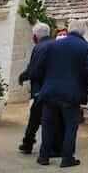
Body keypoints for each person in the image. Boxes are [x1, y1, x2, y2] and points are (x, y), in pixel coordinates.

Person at [30, 19, 88, 168]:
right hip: (71, 94)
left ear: (69, 29)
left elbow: (40, 67)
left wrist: (46, 83)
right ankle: (67, 158)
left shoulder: (53, 44)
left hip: (50, 91)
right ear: (83, 32)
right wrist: (82, 84)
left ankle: (44, 156)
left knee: (48, 125)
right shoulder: (86, 47)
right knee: (70, 126)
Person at [18, 22, 62, 156]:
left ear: (35, 36)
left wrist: (24, 76)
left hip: (41, 88)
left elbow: (34, 69)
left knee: (35, 118)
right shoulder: (58, 45)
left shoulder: (39, 47)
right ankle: (56, 147)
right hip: (56, 87)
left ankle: (28, 143)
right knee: (55, 118)